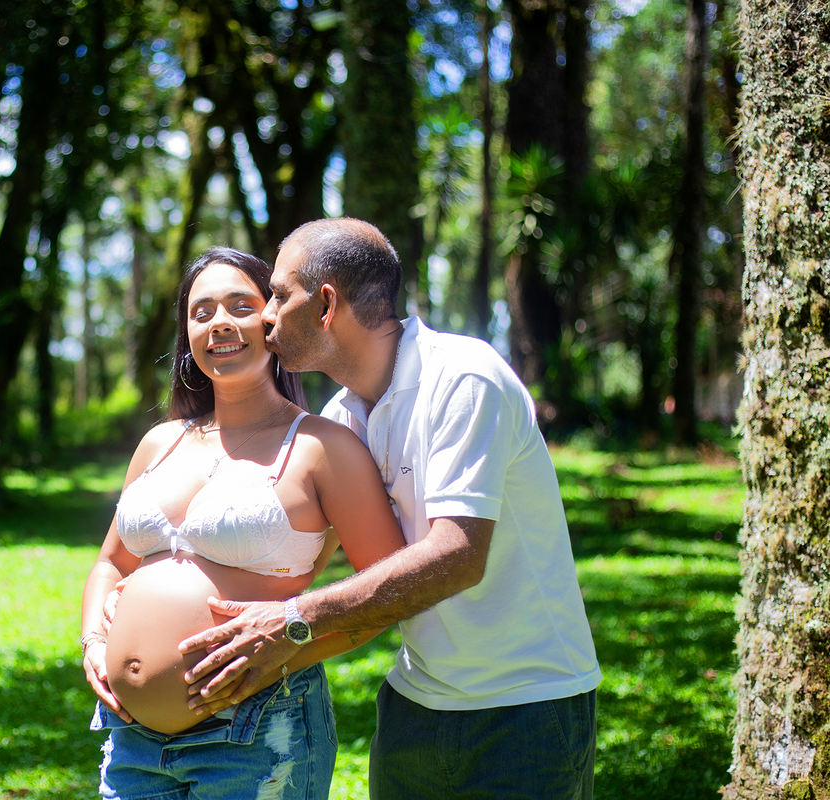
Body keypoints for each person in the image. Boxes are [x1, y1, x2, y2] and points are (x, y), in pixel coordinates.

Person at [178, 219, 602, 799]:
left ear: (326, 304)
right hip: (413, 706)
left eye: (278, 294)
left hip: (525, 709)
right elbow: (295, 554)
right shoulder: (347, 418)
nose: (267, 315)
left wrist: (293, 621)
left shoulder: (462, 378)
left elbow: (458, 556)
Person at [80, 246, 406, 800]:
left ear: (273, 318)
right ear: (186, 335)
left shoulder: (321, 448)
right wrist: (93, 639)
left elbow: (388, 593)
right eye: (201, 312)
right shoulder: (159, 443)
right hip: (130, 741)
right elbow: (111, 563)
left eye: (240, 306)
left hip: (258, 731)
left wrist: (276, 652)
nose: (219, 324)